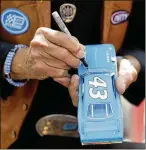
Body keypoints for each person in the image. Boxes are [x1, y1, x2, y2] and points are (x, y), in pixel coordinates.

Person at [0, 0, 145, 149]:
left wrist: (131, 63)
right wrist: (17, 60)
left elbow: (141, 43)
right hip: (12, 133)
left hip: (99, 135)